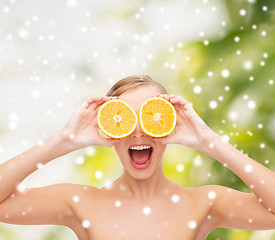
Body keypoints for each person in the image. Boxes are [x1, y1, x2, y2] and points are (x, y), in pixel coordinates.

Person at [0, 75, 274, 240]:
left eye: (151, 117)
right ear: (108, 129)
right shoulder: (80, 203)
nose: (139, 131)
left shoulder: (204, 203)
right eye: (125, 119)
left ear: (170, 124)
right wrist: (63, 140)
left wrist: (208, 141)